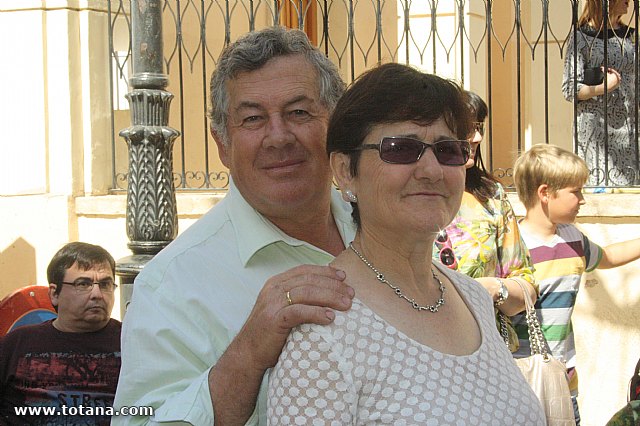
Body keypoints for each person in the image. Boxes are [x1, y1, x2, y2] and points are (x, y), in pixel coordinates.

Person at [267, 63, 546, 424]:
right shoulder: (322, 331)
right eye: (401, 149)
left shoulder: (472, 298)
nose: (431, 169)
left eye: (448, 150)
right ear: (345, 171)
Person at [113, 27, 355, 425]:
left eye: (298, 112)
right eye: (253, 119)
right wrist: (250, 351)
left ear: (337, 125)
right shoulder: (170, 285)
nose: (278, 137)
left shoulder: (381, 230)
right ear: (222, 144)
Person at [512, 143, 640, 424]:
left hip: (564, 373)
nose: (582, 199)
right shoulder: (514, 244)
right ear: (545, 193)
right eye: (575, 192)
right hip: (521, 375)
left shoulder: (573, 238)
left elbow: (607, 257)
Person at [433, 90, 537, 352]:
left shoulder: (491, 196)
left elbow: (526, 284)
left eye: (479, 126)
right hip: (425, 351)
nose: (477, 136)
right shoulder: (408, 193)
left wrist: (495, 289)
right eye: (467, 128)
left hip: (492, 352)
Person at [0, 242, 121, 425]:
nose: (97, 294)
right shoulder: (16, 344)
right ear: (54, 293)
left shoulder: (133, 342)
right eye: (83, 284)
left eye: (105, 284)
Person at [561, 0, 636, 186]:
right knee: (599, 186)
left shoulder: (631, 36)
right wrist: (604, 87)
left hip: (629, 130)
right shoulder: (581, 37)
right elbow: (569, 88)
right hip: (595, 131)